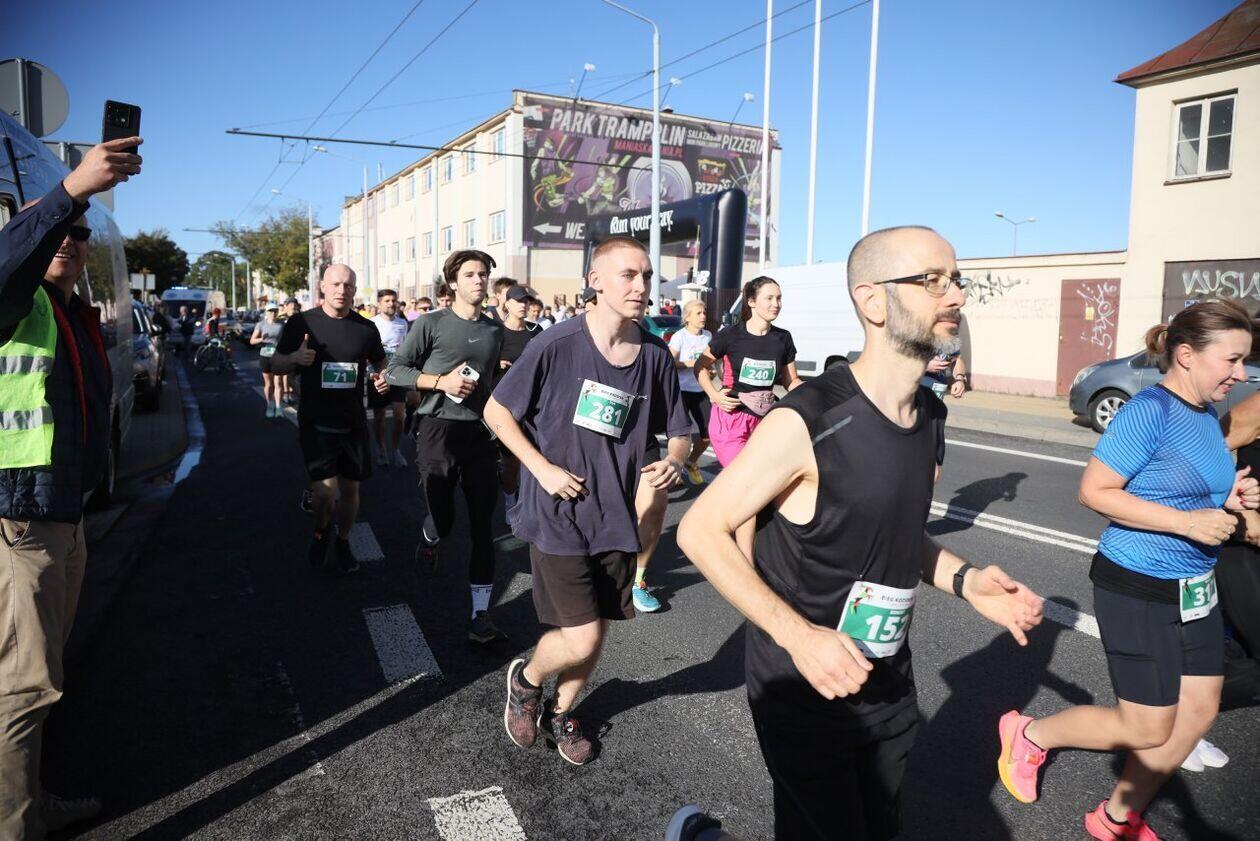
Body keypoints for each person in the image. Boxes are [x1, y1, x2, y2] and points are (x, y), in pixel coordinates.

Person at [678, 225, 1044, 841]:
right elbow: (700, 530)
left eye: (956, 280)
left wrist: (966, 580)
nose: (956, 296)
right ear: (873, 301)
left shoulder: (929, 416)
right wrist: (800, 638)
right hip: (804, 683)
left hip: (888, 680)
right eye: (932, 281)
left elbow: (892, 535)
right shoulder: (810, 418)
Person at [997, 299, 1259, 840]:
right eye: (1232, 360)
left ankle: (1116, 817)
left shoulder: (1206, 415)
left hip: (1195, 586)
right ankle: (1031, 734)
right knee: (1146, 726)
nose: (1241, 374)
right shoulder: (1149, 411)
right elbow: (1094, 491)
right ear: (1186, 355)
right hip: (1138, 584)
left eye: (1245, 361)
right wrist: (1188, 522)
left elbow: (1184, 483)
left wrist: (1229, 498)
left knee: (1198, 712)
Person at [486, 235, 691, 766]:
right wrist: (542, 469)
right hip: (556, 510)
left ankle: (561, 711)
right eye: (629, 275)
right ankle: (527, 680)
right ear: (595, 281)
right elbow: (496, 412)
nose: (642, 286)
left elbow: (680, 432)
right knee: (582, 636)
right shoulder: (556, 343)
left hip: (615, 515)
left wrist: (674, 460)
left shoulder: (654, 354)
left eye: (647, 276)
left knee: (597, 625)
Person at [0, 134, 143, 837]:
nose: (70, 240)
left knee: (44, 676)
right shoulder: (16, 303)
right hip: (20, 520)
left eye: (80, 234)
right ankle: (17, 825)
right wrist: (69, 194)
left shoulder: (69, 313)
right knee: (23, 686)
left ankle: (30, 796)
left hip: (64, 515)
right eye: (57, 230)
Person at [385, 250, 506, 643]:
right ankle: (430, 537)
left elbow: (492, 382)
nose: (479, 280)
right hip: (437, 430)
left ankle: (480, 614)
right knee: (444, 519)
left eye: (483, 274)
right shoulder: (431, 323)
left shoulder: (494, 330)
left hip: (480, 434)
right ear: (453, 283)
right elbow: (396, 370)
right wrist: (441, 382)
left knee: (483, 525)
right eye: (470, 274)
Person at [272, 265, 390, 575]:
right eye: (336, 284)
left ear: (355, 290)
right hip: (316, 423)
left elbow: (381, 360)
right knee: (325, 493)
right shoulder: (301, 323)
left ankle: (343, 540)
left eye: (348, 285)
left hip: (353, 423)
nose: (342, 290)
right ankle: (321, 532)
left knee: (351, 492)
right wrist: (294, 359)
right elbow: (275, 364)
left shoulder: (366, 328)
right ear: (322, 287)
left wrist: (383, 376)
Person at [694, 275, 803, 560]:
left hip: (764, 423)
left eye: (779, 298)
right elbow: (700, 367)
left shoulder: (783, 338)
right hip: (730, 420)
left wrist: (817, 392)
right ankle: (745, 563)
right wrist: (715, 395)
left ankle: (749, 549)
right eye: (769, 298)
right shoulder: (731, 335)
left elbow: (790, 381)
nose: (776, 304)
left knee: (767, 489)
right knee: (748, 487)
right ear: (752, 302)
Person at [495, 285, 542, 525]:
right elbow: (482, 365)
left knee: (533, 457)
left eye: (526, 301)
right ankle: (509, 499)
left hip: (534, 404)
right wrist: (497, 364)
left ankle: (530, 504)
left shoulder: (536, 332)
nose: (523, 305)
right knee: (512, 462)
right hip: (505, 405)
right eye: (518, 301)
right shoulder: (496, 333)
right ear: (507, 304)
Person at [668, 300, 713, 485]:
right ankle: (675, 470)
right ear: (687, 317)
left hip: (701, 390)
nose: (703, 316)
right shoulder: (679, 336)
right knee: (680, 435)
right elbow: (668, 362)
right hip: (682, 391)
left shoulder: (708, 336)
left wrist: (711, 371)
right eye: (698, 313)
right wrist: (690, 363)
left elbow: (712, 361)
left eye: (704, 312)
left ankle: (691, 461)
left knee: (708, 434)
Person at [370, 289, 411, 469]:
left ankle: (395, 449)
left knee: (399, 416)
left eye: (393, 300)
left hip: (397, 374)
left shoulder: (402, 323)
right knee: (379, 416)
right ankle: (381, 448)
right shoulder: (372, 323)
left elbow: (405, 348)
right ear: (379, 303)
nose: (391, 304)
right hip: (377, 375)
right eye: (387, 301)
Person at [250, 304, 285, 418]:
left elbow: (286, 339)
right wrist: (262, 339)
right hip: (265, 355)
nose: (273, 313)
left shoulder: (282, 324)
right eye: (270, 311)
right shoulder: (261, 324)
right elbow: (252, 341)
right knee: (268, 384)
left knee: (278, 382)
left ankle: (278, 407)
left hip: (278, 355)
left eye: (275, 311)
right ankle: (270, 405)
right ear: (266, 312)